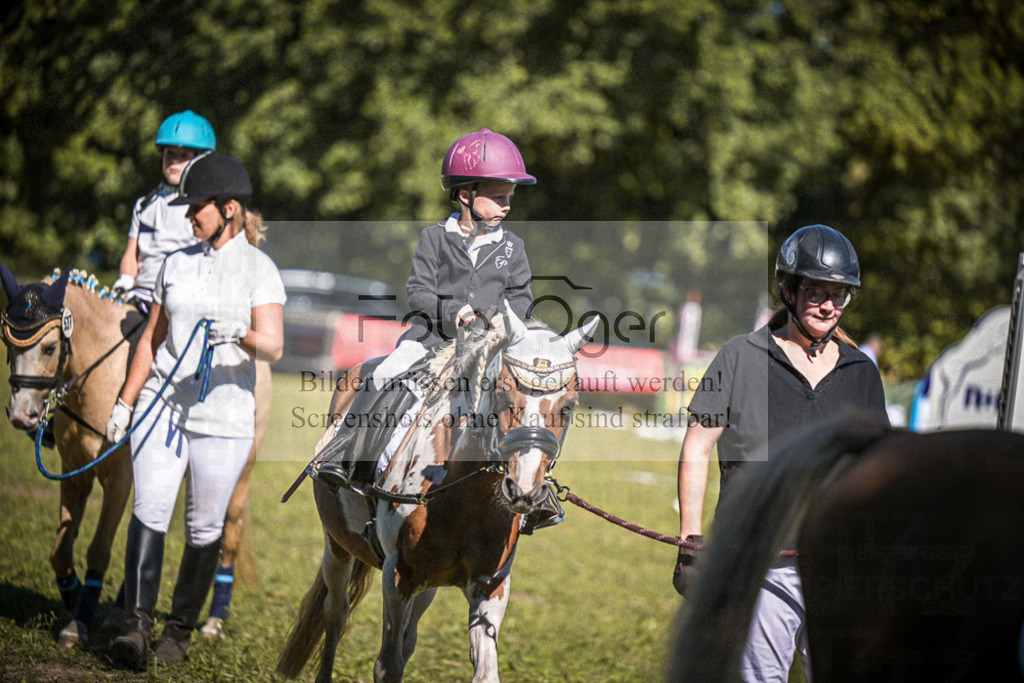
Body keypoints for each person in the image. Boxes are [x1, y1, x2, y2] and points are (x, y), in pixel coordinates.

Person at [309, 129, 560, 531]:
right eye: (498, 197)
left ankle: (538, 491)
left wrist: (506, 316)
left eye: (509, 198)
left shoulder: (514, 247)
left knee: (530, 398)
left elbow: (522, 296)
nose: (506, 206)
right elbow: (417, 292)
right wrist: (452, 311)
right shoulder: (434, 239)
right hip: (430, 340)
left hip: (489, 348)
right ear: (465, 195)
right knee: (383, 375)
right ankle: (343, 455)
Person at [673, 224, 888, 681]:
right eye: (816, 293)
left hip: (842, 567)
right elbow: (696, 447)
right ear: (788, 289)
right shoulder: (738, 357)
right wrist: (690, 541)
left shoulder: (861, 372)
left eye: (840, 294)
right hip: (766, 560)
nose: (829, 306)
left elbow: (877, 467)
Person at [104, 151, 285, 669]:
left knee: (205, 526)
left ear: (228, 208)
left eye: (196, 208)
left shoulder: (260, 270)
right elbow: (150, 343)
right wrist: (125, 403)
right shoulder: (174, 264)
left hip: (225, 417)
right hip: (163, 407)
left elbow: (273, 346)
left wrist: (241, 334)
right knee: (149, 510)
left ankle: (177, 633)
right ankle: (136, 627)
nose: (188, 216)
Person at [112, 110, 217, 312]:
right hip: (140, 295)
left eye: (184, 156)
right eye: (170, 154)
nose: (175, 162)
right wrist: (125, 279)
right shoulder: (144, 205)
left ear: (200, 160)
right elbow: (131, 253)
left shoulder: (205, 207)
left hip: (181, 299)